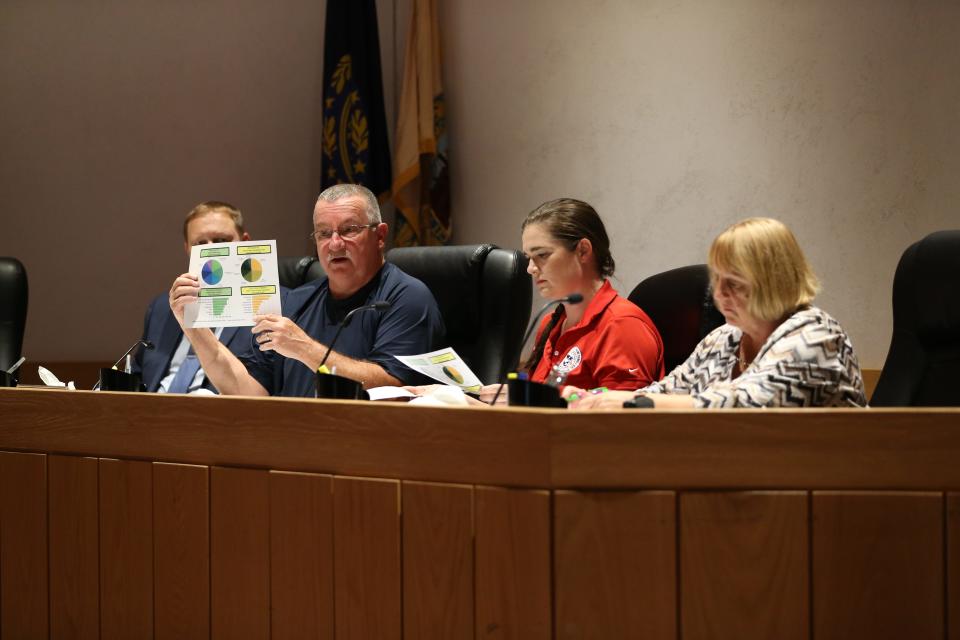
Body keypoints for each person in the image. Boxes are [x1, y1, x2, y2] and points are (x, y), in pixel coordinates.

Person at [168, 183, 444, 397]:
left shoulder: (407, 297)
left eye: (349, 230)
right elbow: (249, 392)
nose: (335, 244)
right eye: (324, 233)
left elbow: (392, 388)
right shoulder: (294, 302)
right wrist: (193, 327)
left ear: (380, 236)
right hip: (292, 445)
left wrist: (304, 348)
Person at [566, 217, 866, 409]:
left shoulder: (816, 335)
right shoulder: (724, 338)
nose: (719, 294)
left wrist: (633, 403)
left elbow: (746, 404)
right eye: (717, 280)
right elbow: (667, 391)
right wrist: (592, 399)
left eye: (734, 283)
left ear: (776, 281)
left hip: (835, 492)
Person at [411, 197, 665, 404]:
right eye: (528, 258)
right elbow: (539, 411)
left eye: (542, 255)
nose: (531, 268)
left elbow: (625, 413)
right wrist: (465, 400)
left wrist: (533, 400)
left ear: (583, 251)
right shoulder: (550, 323)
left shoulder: (622, 325)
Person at [133, 201, 255, 393]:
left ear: (245, 241)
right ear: (187, 249)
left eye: (221, 241)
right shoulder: (162, 308)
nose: (210, 250)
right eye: (199, 244)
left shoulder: (274, 303)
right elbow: (137, 378)